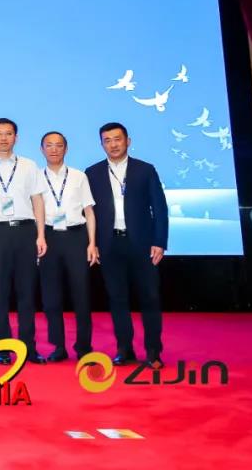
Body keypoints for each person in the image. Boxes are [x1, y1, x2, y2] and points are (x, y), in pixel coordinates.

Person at [85, 122, 168, 369]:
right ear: (102, 144)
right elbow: (88, 212)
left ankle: (153, 351)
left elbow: (159, 208)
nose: (113, 144)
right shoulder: (92, 173)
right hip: (109, 244)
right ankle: (124, 349)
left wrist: (159, 241)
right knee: (117, 298)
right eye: (107, 140)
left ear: (128, 141)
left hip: (142, 244)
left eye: (117, 139)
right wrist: (92, 243)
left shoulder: (145, 170)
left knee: (150, 297)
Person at [0, 118, 47, 364]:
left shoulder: (29, 166)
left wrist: (41, 234)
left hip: (26, 231)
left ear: (16, 137)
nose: (3, 138)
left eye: (8, 133)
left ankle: (28, 347)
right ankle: (2, 347)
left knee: (27, 292)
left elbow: (38, 201)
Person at [38, 131, 99, 362]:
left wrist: (92, 243)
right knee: (51, 296)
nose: (54, 149)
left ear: (66, 148)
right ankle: (58, 346)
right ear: (42, 149)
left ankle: (84, 346)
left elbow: (89, 211)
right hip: (49, 238)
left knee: (81, 293)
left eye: (59, 145)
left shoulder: (79, 176)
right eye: (49, 145)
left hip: (76, 237)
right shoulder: (35, 178)